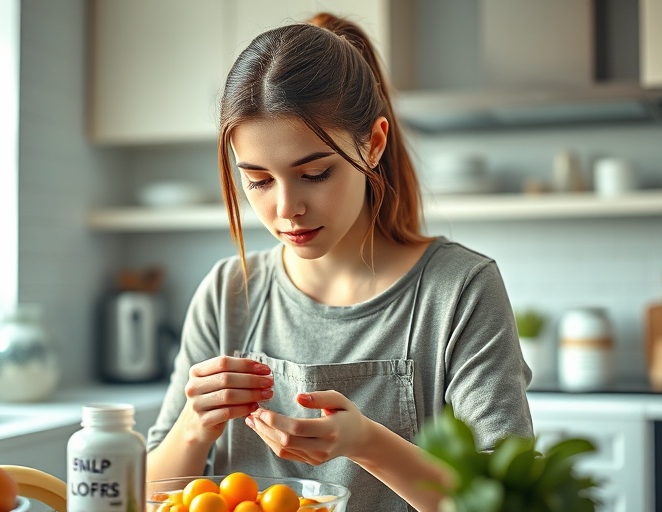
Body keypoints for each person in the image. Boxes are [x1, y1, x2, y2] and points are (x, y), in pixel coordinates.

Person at [146, 12, 533, 511]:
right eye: (259, 180)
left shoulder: (459, 289)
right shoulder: (229, 292)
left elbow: (508, 502)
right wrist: (194, 427)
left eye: (315, 173)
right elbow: (144, 493)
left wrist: (369, 445)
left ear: (373, 144)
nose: (286, 209)